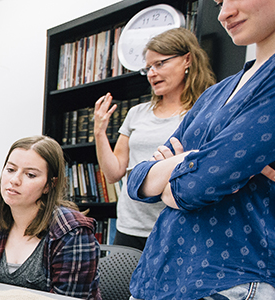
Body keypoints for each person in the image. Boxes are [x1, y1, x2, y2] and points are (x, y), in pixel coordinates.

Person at [126, 0, 275, 299]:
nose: (223, 13)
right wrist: (198, 160)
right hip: (159, 278)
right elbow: (138, 182)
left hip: (236, 280)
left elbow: (193, 186)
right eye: (218, 2)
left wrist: (181, 170)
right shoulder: (215, 92)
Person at [91, 28, 216, 251]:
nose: (152, 73)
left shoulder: (204, 113)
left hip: (175, 226)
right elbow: (113, 173)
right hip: (129, 227)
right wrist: (99, 132)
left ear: (187, 60)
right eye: (148, 68)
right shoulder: (136, 113)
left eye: (160, 64)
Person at [0, 136, 101, 300]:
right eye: (11, 170)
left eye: (30, 175)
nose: (14, 180)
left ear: (49, 185)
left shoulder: (72, 232)